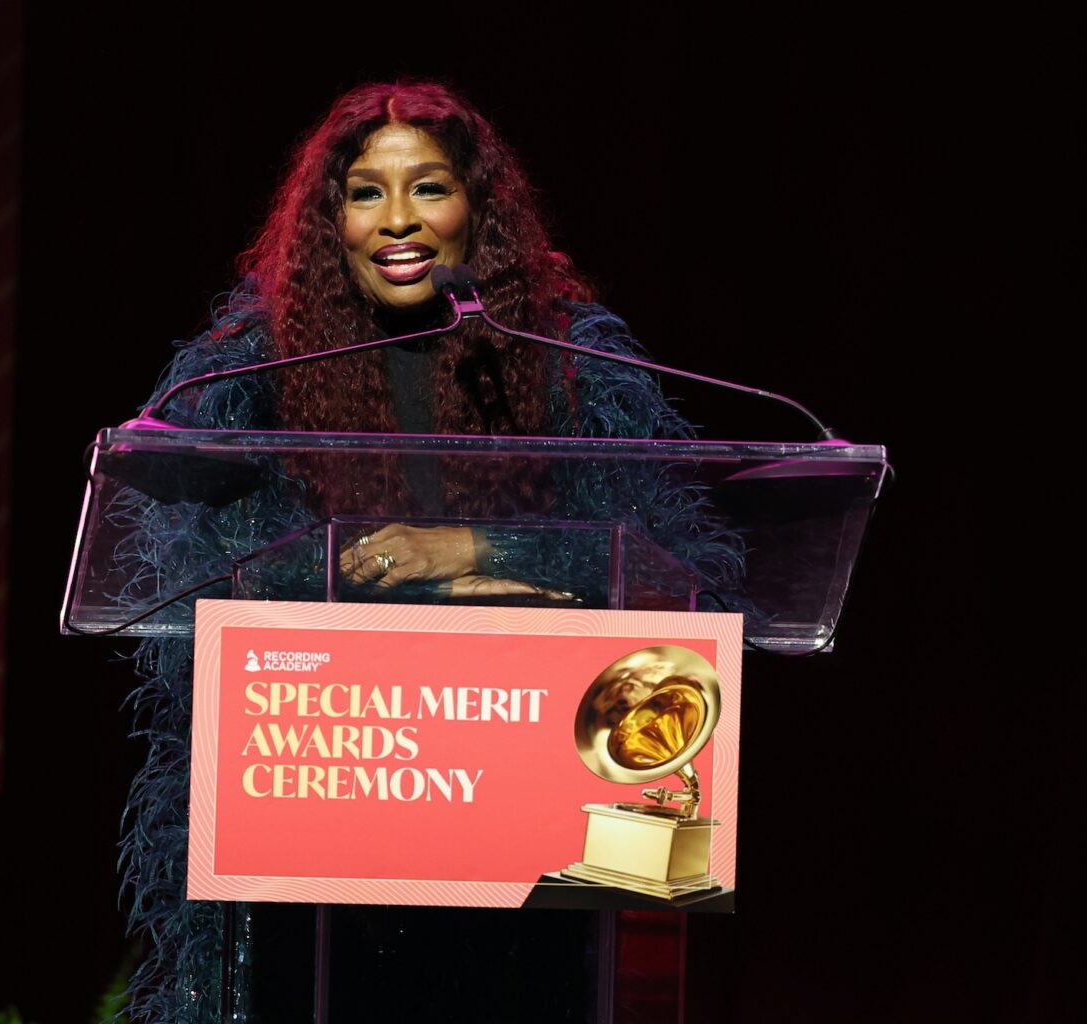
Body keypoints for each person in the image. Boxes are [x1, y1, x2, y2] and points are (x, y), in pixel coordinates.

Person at [118, 81, 742, 1022]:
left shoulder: (565, 361)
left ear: (477, 208)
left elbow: (680, 569)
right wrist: (401, 582)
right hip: (329, 812)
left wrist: (478, 550)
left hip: (534, 845)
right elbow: (194, 561)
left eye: (430, 189)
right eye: (366, 193)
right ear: (331, 219)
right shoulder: (254, 369)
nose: (397, 221)